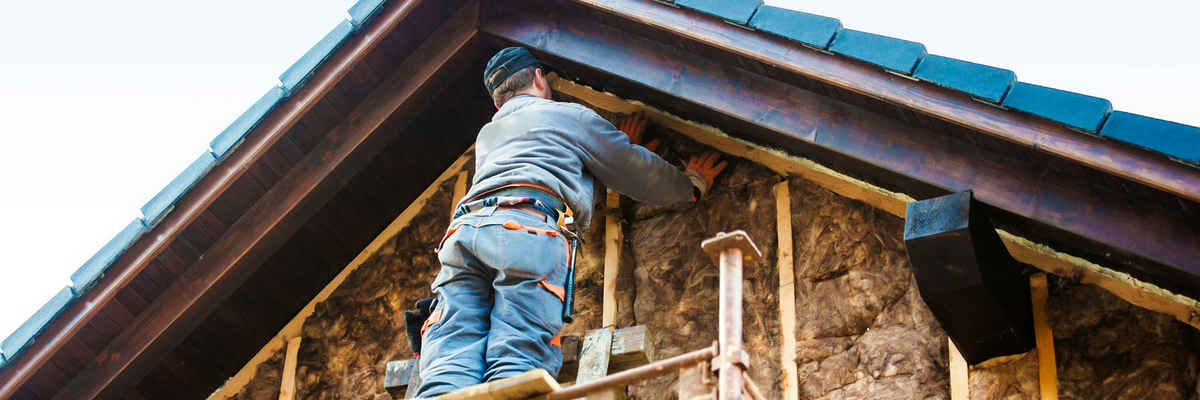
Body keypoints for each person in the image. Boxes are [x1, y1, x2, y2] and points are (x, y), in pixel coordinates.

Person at [413, 46, 727, 396]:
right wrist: (691, 185)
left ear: (499, 103)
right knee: (517, 354)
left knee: (452, 349)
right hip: (525, 231)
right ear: (537, 77)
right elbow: (630, 168)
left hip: (463, 235)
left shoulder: (489, 135)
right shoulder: (570, 116)